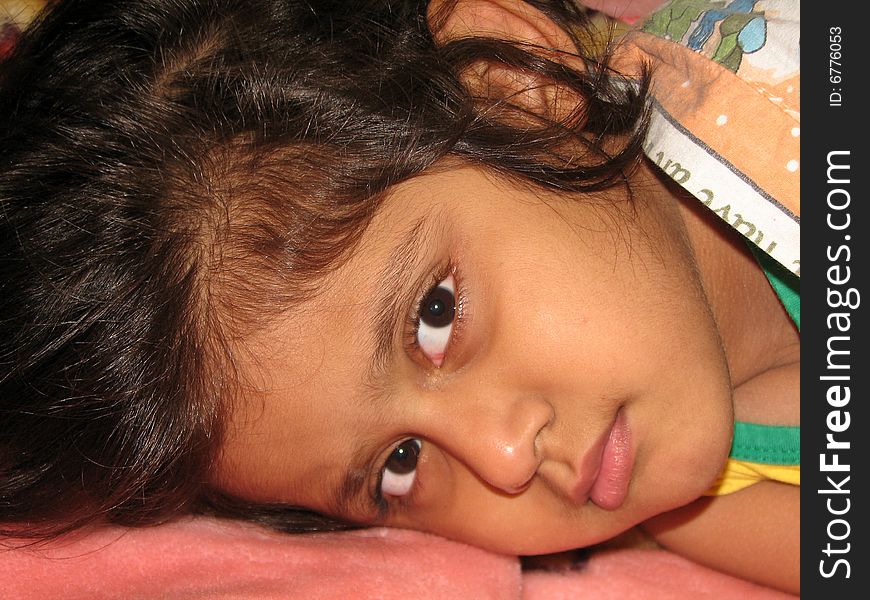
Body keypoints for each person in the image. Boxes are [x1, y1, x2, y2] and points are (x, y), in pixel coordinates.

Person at [0, 0, 799, 594]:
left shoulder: (805, 90)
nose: (506, 458)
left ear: (519, 85)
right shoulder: (690, 501)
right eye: (398, 466)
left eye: (435, 317)